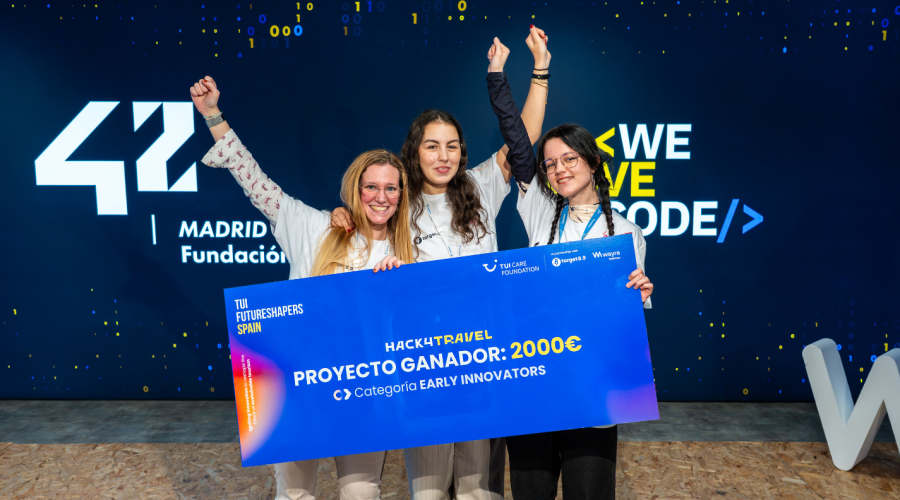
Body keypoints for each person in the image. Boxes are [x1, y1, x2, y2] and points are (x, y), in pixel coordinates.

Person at [330, 27, 552, 500]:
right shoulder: (397, 204)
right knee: (428, 491)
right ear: (415, 150)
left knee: (478, 489)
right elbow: (363, 221)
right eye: (432, 145)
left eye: (452, 145)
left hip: (483, 354)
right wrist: (342, 215)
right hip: (425, 360)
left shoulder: (481, 185)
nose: (444, 155)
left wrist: (539, 70)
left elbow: (524, 137)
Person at [189, 76, 414, 500]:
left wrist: (402, 285)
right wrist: (213, 115)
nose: (380, 197)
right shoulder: (313, 227)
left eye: (390, 188)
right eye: (371, 186)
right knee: (294, 495)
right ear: (356, 189)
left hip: (364, 393)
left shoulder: (408, 254)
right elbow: (255, 181)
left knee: (363, 493)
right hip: (297, 389)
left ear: (402, 196)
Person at [489, 92, 654, 497]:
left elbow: (623, 321)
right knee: (531, 492)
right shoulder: (541, 209)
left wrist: (638, 295)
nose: (559, 169)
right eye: (550, 164)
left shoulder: (626, 233)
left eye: (569, 159)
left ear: (593, 162)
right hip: (535, 385)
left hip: (592, 392)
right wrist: (516, 77)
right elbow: (517, 140)